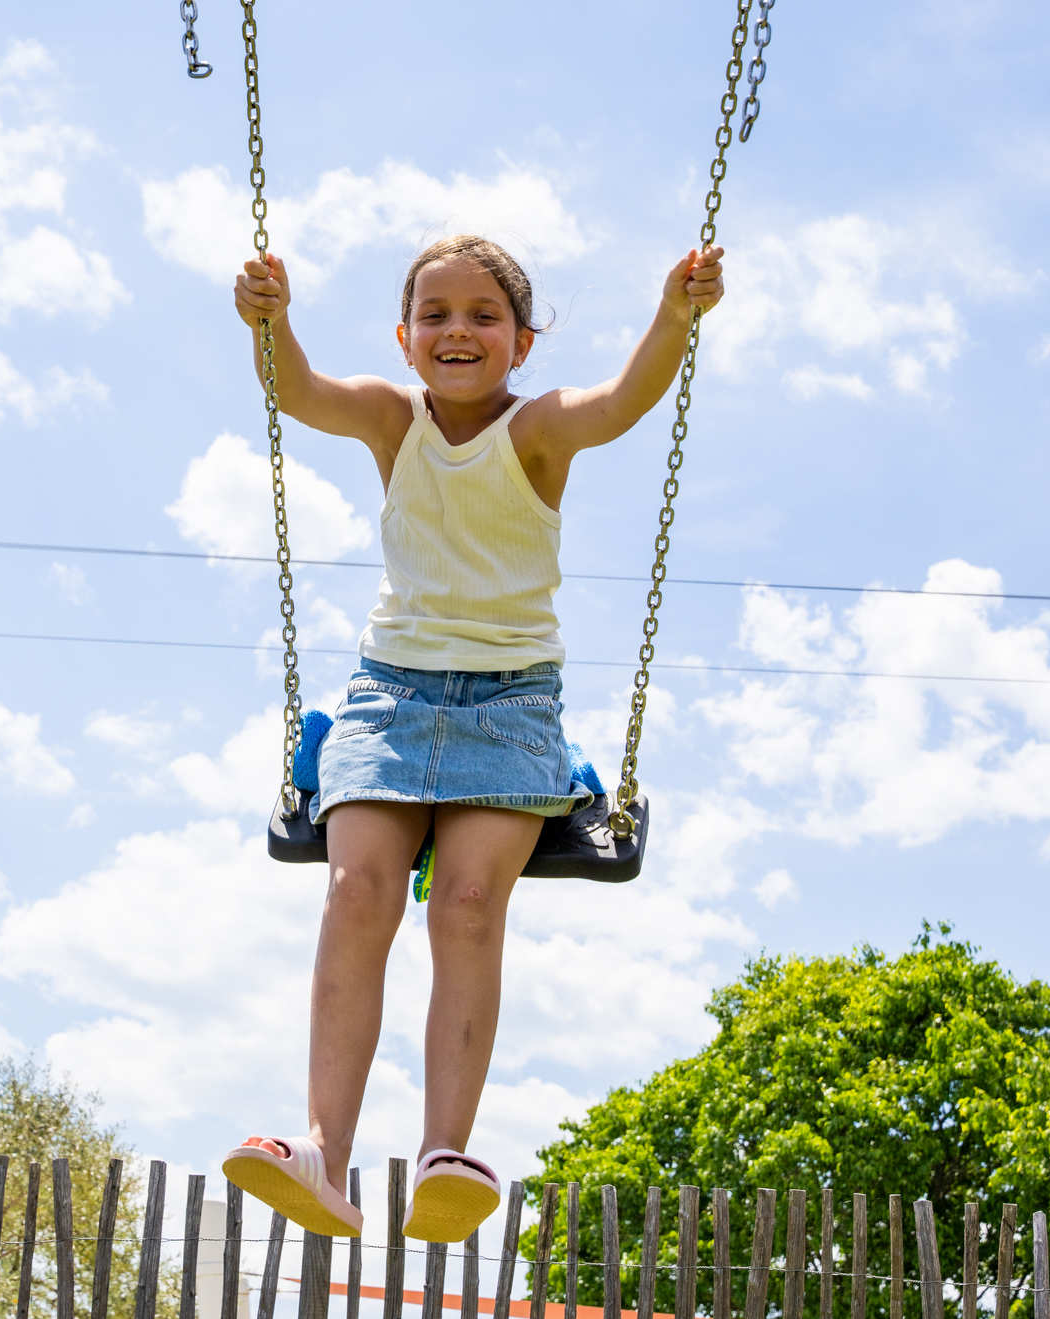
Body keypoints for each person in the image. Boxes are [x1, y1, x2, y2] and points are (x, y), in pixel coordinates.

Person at [221, 234, 726, 1243]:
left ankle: (443, 1150)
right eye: (436, 315)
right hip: (387, 698)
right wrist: (268, 323)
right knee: (357, 888)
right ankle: (323, 1152)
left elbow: (622, 402)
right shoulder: (386, 416)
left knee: (463, 905)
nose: (458, 331)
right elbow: (298, 392)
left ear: (521, 342)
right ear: (405, 340)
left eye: (482, 315)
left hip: (509, 704)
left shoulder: (535, 432)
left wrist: (675, 316)